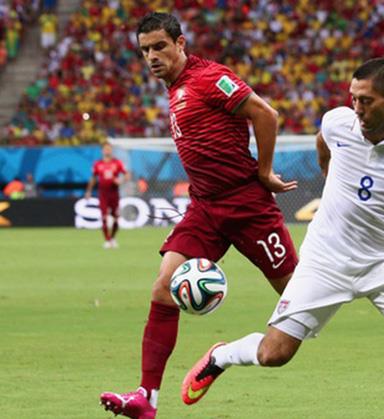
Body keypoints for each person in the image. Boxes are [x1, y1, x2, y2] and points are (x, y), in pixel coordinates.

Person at [182, 59, 384, 419]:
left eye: (366, 101)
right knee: (274, 354)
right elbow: (324, 140)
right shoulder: (338, 122)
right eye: (353, 98)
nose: (357, 108)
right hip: (325, 259)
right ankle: (221, 356)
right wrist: (328, 171)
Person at [99, 12, 299, 419]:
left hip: (247, 206)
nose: (152, 56)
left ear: (180, 43)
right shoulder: (175, 90)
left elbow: (266, 114)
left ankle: (225, 355)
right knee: (163, 288)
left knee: (299, 298)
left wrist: (264, 172)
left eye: (159, 46)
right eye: (145, 50)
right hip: (205, 207)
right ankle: (146, 398)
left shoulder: (210, 78)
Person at [85, 142, 128, 249]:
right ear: (102, 151)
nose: (107, 151)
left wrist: (120, 180)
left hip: (114, 194)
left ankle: (112, 238)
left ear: (111, 150)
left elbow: (127, 174)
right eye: (105, 149)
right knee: (104, 217)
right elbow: (93, 178)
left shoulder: (117, 163)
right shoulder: (97, 164)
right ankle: (107, 240)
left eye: (109, 149)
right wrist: (88, 191)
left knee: (116, 218)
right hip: (103, 194)